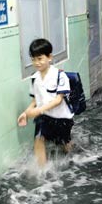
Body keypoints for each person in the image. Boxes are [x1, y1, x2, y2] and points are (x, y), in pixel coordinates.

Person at [17, 38, 74, 166]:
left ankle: (73, 158)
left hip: (62, 118)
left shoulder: (60, 75)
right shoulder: (34, 78)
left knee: (64, 144)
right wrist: (26, 113)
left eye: (40, 58)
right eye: (33, 59)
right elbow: (35, 100)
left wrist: (38, 110)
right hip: (44, 116)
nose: (36, 63)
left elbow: (59, 100)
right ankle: (42, 173)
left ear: (49, 57)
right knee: (38, 139)